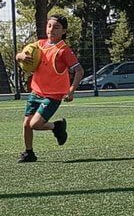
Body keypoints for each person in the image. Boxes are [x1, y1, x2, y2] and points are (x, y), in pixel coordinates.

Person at [14, 15, 85, 163]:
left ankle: (57, 127)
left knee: (35, 124)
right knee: (26, 125)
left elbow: (79, 71)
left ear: (64, 31)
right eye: (49, 26)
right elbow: (18, 55)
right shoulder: (39, 44)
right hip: (36, 92)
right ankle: (29, 153)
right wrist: (21, 57)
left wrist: (71, 90)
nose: (51, 29)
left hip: (53, 96)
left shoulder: (63, 50)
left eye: (56, 27)